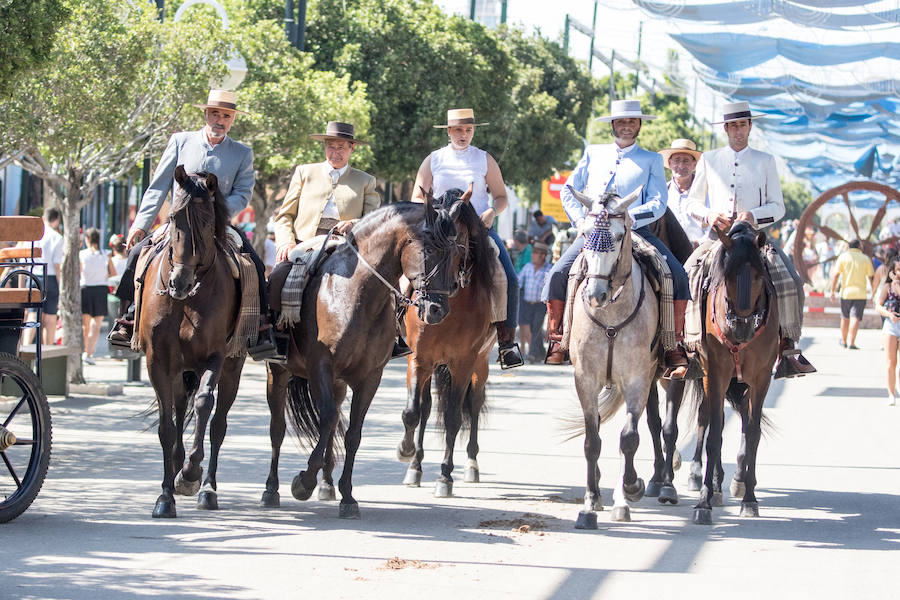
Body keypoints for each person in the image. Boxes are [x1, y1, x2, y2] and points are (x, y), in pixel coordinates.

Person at [107, 90, 280, 360]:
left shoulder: (242, 153)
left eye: (226, 115)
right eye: (215, 114)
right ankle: (127, 319)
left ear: (233, 119)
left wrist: (217, 214)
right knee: (136, 254)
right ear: (205, 114)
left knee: (255, 265)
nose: (219, 120)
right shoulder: (180, 141)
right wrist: (140, 225)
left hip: (219, 225)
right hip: (179, 225)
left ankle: (260, 326)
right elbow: (158, 187)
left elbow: (243, 193)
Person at [542, 99, 691, 377]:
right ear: (613, 125)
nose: (626, 126)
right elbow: (568, 191)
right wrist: (580, 222)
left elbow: (659, 201)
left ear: (639, 126)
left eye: (632, 122)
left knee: (677, 275)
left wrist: (632, 217)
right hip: (595, 232)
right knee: (558, 274)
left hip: (635, 231)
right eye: (621, 122)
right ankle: (558, 340)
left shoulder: (651, 159)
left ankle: (673, 344)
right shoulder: (592, 153)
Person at [686, 100, 815, 378]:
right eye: (732, 126)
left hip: (754, 240)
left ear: (750, 126)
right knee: (688, 274)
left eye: (742, 125)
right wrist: (709, 215)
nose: (738, 131)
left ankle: (788, 347)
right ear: (726, 128)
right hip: (719, 239)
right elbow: (692, 203)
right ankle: (690, 346)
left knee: (790, 279)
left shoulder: (765, 161)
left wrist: (754, 215)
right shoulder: (709, 159)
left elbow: (777, 207)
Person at [412, 108, 524, 369]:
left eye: (469, 130)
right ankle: (396, 329)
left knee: (508, 277)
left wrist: (492, 211)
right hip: (440, 230)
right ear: (449, 131)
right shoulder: (433, 159)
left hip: (477, 229)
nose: (464, 135)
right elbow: (418, 195)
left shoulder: (484, 159)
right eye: (459, 130)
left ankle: (507, 343)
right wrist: (426, 217)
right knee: (407, 267)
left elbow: (501, 196)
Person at [25, 207, 64, 346]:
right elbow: (57, 265)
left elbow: (25, 262)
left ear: (43, 218)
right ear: (57, 220)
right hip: (50, 278)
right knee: (50, 316)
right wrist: (61, 286)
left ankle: (25, 346)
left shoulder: (32, 236)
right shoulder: (57, 237)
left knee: (32, 313)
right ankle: (48, 349)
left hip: (33, 276)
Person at [658, 138, 706, 245]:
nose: (681, 166)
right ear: (669, 163)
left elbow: (713, 228)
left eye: (686, 161)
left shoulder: (706, 193)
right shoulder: (663, 193)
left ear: (694, 165)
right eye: (677, 160)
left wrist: (698, 244)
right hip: (670, 251)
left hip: (701, 252)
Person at [829, 239, 874, 349]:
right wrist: (874, 292)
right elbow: (871, 276)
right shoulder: (865, 258)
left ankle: (844, 341)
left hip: (845, 293)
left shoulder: (843, 257)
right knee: (855, 317)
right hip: (860, 293)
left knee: (844, 317)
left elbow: (835, 275)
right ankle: (852, 342)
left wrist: (832, 291)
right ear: (859, 246)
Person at [79, 228, 115, 365]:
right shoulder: (106, 254)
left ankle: (83, 351)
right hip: (101, 289)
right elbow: (113, 272)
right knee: (96, 325)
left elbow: (78, 273)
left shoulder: (82, 254)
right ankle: (89, 353)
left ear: (87, 240)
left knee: (85, 325)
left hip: (86, 288)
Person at [517, 241, 552, 363]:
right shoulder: (528, 267)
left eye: (536, 253)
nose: (532, 255)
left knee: (536, 328)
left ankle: (532, 354)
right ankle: (541, 353)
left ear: (543, 256)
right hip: (527, 303)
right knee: (531, 327)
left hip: (540, 305)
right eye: (533, 253)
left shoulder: (549, 269)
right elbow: (519, 282)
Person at [874, 255, 900, 406]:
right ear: (892, 271)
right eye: (897, 270)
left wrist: (896, 285)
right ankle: (891, 393)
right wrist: (889, 314)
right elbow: (878, 306)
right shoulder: (887, 287)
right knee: (891, 362)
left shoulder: (895, 286)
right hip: (891, 326)